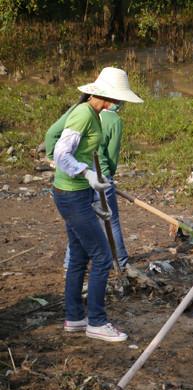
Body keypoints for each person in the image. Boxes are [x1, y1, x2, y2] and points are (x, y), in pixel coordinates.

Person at [52, 67, 142, 342]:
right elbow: (61, 153)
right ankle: (97, 322)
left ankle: (75, 318)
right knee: (102, 257)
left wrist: (95, 189)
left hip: (77, 195)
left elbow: (82, 152)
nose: (120, 103)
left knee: (79, 257)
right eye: (119, 98)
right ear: (107, 97)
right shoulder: (83, 114)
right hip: (71, 194)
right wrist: (86, 174)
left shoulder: (92, 114)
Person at [46, 94, 129, 270]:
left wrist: (55, 160)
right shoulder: (113, 120)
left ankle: (70, 265)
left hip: (78, 178)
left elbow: (52, 134)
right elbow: (112, 154)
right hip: (95, 177)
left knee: (78, 226)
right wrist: (108, 176)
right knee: (110, 222)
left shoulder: (76, 109)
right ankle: (121, 264)